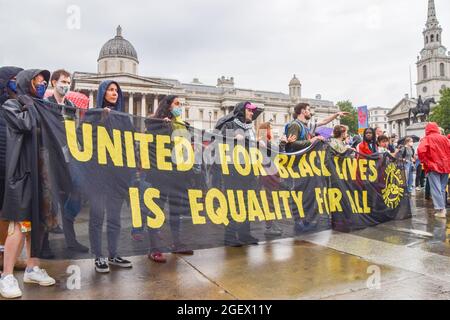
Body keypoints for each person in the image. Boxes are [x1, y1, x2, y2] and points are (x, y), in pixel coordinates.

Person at [0, 69, 56, 299]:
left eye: (44, 83)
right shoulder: (12, 106)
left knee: (38, 225)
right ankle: (7, 275)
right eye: (37, 82)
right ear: (26, 84)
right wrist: (32, 104)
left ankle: (33, 268)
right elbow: (25, 125)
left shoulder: (40, 106)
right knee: (19, 226)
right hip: (23, 174)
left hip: (42, 174)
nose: (41, 86)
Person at [88, 80, 133, 273]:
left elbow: (130, 144)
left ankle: (113, 254)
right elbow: (82, 138)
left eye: (117, 90)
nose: (114, 93)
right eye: (110, 90)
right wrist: (101, 120)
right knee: (97, 216)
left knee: (115, 217)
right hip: (97, 174)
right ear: (102, 92)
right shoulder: (92, 114)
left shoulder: (124, 117)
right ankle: (99, 256)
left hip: (118, 175)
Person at [147, 95, 194, 260]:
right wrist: (163, 126)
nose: (179, 106)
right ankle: (154, 248)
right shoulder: (154, 122)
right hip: (160, 173)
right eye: (177, 103)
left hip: (178, 173)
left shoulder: (182, 124)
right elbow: (151, 141)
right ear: (168, 105)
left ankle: (177, 243)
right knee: (156, 211)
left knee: (176, 210)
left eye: (181, 104)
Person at [215, 101, 261, 247]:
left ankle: (244, 234)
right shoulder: (229, 125)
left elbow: (251, 147)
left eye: (253, 111)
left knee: (247, 203)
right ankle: (229, 236)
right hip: (233, 171)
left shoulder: (250, 129)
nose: (252, 113)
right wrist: (233, 139)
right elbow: (217, 143)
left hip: (249, 170)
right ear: (241, 111)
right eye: (249, 111)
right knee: (233, 203)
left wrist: (259, 143)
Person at [0, 66, 27, 272]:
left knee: (8, 215)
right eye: (14, 79)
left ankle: (6, 256)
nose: (17, 83)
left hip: (12, 164)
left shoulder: (19, 104)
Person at [284, 103, 349, 152]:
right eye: (308, 110)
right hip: (295, 163)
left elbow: (324, 121)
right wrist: (313, 139)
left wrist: (336, 114)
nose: (310, 112)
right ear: (303, 111)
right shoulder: (294, 125)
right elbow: (293, 144)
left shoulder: (306, 125)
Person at [417, 123, 450, 218]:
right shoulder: (444, 138)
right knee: (442, 188)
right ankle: (442, 208)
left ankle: (440, 209)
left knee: (436, 188)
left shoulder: (427, 138)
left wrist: (425, 161)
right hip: (445, 166)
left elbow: (420, 150)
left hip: (433, 166)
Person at [256, 122, 283, 236]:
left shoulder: (265, 142)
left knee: (272, 200)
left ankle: (272, 224)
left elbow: (276, 153)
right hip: (267, 174)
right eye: (270, 129)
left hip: (271, 173)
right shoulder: (261, 141)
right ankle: (269, 226)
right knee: (269, 200)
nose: (271, 131)